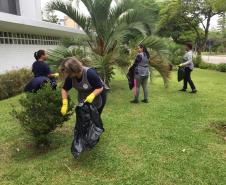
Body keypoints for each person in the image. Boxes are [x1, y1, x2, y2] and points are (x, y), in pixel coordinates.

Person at [59, 57, 107, 129]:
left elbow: (100, 87)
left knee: (95, 116)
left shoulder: (90, 73)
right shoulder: (70, 77)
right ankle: (86, 134)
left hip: (98, 96)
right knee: (84, 116)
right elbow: (64, 89)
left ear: (73, 70)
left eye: (67, 72)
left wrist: (92, 95)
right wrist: (65, 103)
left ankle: (94, 133)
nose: (66, 75)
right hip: (83, 97)